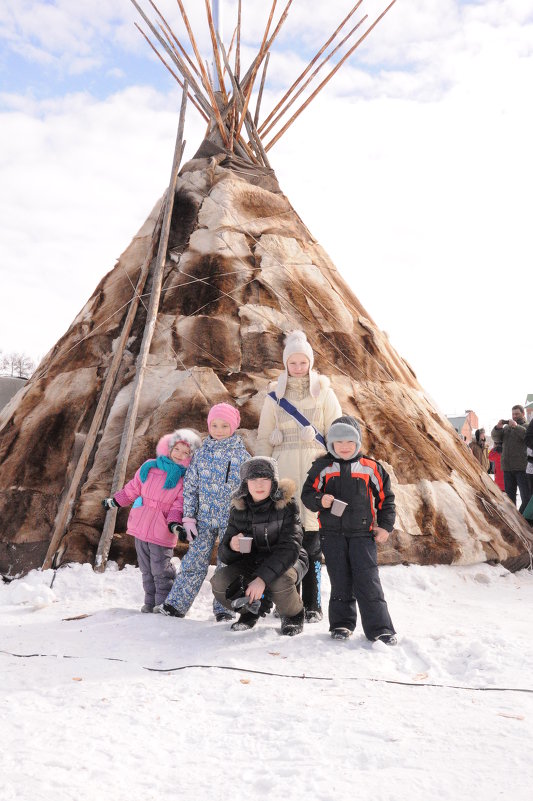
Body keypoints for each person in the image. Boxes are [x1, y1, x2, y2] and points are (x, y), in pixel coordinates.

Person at [255, 330, 342, 623]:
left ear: (310, 362)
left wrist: (334, 469)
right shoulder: (274, 396)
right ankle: (274, 599)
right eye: (293, 362)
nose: (298, 367)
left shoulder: (325, 393)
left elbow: (336, 431)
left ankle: (313, 602)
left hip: (315, 470)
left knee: (313, 542)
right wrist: (262, 472)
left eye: (303, 362)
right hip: (284, 471)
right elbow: (265, 436)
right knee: (279, 539)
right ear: (285, 363)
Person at [301, 415, 397, 645]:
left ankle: (380, 628)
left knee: (368, 581)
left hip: (362, 535)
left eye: (349, 442)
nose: (344, 447)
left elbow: (386, 499)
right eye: (338, 442)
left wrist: (385, 526)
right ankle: (341, 623)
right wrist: (320, 499)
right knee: (340, 580)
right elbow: (307, 495)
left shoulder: (371, 468)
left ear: (358, 442)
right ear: (331, 444)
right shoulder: (322, 467)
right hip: (332, 535)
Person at [160, 403, 250, 620]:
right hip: (203, 520)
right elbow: (190, 488)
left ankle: (224, 608)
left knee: (227, 564)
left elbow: (249, 492)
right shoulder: (201, 455)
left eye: (224, 425)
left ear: (234, 426)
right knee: (193, 562)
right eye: (215, 425)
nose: (219, 430)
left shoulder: (242, 456)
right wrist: (189, 517)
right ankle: (176, 604)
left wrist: (245, 522)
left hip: (231, 522)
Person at [102, 428, 201, 613]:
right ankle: (149, 602)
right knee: (146, 569)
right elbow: (132, 489)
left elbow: (178, 506)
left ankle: (164, 603)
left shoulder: (185, 479)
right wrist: (114, 501)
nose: (180, 455)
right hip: (140, 526)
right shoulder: (150, 466)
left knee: (161, 570)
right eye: (177, 449)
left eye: (186, 452)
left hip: (161, 530)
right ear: (169, 448)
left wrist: (174, 525)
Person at [210, 457, 308, 635]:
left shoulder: (287, 506)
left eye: (265, 479)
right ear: (245, 483)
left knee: (279, 580)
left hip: (289, 561)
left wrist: (262, 579)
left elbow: (290, 547)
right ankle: (250, 611)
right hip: (253, 562)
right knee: (220, 582)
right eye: (253, 480)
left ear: (274, 482)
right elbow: (225, 555)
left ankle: (293, 614)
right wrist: (232, 546)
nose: (259, 485)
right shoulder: (238, 509)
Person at [491, 406, 531, 512]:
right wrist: (498, 428)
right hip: (508, 468)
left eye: (517, 414)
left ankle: (523, 521)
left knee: (526, 499)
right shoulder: (507, 428)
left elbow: (526, 436)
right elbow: (496, 438)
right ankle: (515, 523)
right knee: (510, 500)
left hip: (522, 468)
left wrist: (516, 426)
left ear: (523, 414)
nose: (514, 416)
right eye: (513, 414)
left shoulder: (527, 426)